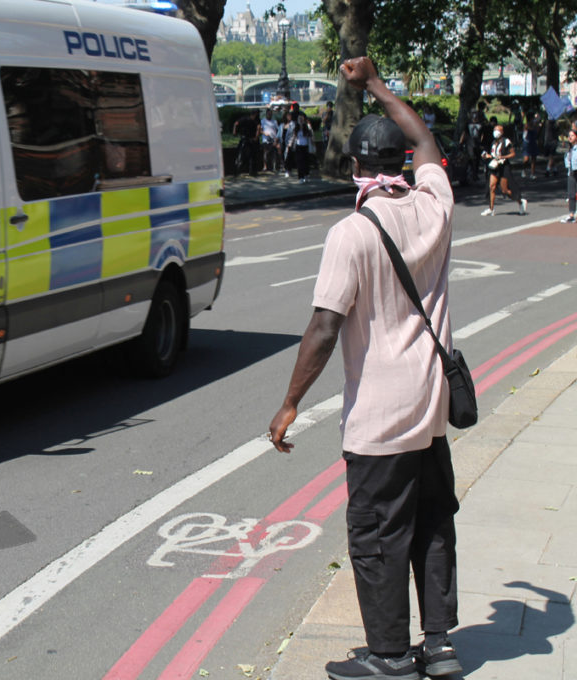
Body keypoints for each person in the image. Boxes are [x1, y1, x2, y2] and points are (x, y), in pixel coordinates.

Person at [268, 55, 463, 680]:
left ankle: (388, 656)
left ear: (356, 166)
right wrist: (375, 82)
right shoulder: (434, 205)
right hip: (431, 406)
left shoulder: (350, 234)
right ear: (402, 163)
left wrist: (291, 401)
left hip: (380, 418)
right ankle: (438, 645)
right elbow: (426, 137)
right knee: (432, 522)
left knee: (378, 536)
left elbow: (324, 327)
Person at [481, 124, 527, 216]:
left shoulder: (506, 142)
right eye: (495, 130)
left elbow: (512, 154)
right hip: (494, 166)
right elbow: (493, 154)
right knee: (492, 186)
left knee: (505, 190)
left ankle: (520, 201)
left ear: (502, 132)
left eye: (498, 130)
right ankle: (491, 208)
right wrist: (487, 156)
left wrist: (503, 157)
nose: (496, 132)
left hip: (503, 167)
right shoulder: (493, 142)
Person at [561, 129, 577, 223]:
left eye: (572, 135)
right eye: (569, 135)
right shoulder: (569, 149)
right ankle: (571, 215)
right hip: (571, 173)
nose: (570, 137)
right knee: (571, 194)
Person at [293, 112, 313, 182]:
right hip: (299, 146)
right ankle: (300, 177)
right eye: (299, 119)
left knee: (306, 162)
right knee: (299, 162)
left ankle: (306, 175)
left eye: (302, 119)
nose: (300, 120)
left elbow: (309, 135)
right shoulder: (296, 127)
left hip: (305, 146)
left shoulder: (306, 127)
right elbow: (294, 136)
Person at [261, 107, 280, 173]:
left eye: (271, 114)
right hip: (266, 139)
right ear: (266, 114)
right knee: (265, 152)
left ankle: (275, 166)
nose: (269, 115)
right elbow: (260, 130)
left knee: (275, 152)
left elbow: (278, 130)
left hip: (273, 139)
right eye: (268, 114)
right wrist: (264, 133)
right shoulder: (263, 121)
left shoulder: (274, 121)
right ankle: (265, 166)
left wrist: (276, 138)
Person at [521, 112, 540, 178]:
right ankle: (523, 169)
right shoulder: (526, 125)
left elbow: (537, 132)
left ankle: (532, 173)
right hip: (527, 143)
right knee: (526, 159)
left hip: (533, 142)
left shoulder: (535, 124)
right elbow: (530, 128)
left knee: (533, 159)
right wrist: (535, 123)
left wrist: (537, 125)